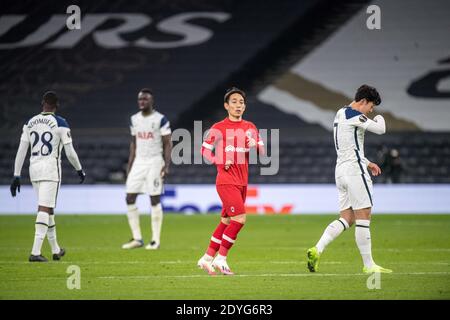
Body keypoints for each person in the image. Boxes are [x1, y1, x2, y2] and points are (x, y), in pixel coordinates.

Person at [307, 84, 392, 274]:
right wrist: (380, 117)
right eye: (371, 107)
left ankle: (317, 249)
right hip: (355, 171)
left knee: (347, 218)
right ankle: (369, 266)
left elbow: (348, 145)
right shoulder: (355, 115)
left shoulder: (340, 113)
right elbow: (380, 129)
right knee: (364, 215)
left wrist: (368, 161)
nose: (371, 112)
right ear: (363, 101)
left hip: (341, 171)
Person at [10, 91, 85, 262]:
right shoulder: (61, 123)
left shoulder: (29, 123)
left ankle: (55, 249)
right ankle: (35, 252)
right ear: (57, 105)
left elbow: (21, 151)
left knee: (48, 208)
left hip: (34, 169)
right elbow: (70, 152)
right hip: (50, 170)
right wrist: (79, 169)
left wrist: (16, 175)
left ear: (42, 103)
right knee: (44, 208)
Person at [197, 87, 265, 275]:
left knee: (226, 221)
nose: (238, 105)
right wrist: (218, 159)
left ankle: (207, 258)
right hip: (226, 180)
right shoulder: (218, 128)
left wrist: (256, 145)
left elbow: (263, 152)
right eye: (234, 102)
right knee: (240, 219)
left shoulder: (250, 127)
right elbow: (204, 151)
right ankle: (222, 259)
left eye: (241, 102)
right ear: (226, 106)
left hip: (242, 181)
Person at [122, 88, 172, 250]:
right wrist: (130, 165)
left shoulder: (160, 120)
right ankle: (137, 238)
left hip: (155, 162)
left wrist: (166, 164)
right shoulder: (134, 119)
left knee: (154, 199)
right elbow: (133, 144)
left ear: (151, 101)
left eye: (145, 99)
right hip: (139, 162)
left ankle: (155, 240)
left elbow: (167, 143)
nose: (142, 102)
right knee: (129, 197)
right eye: (140, 99)